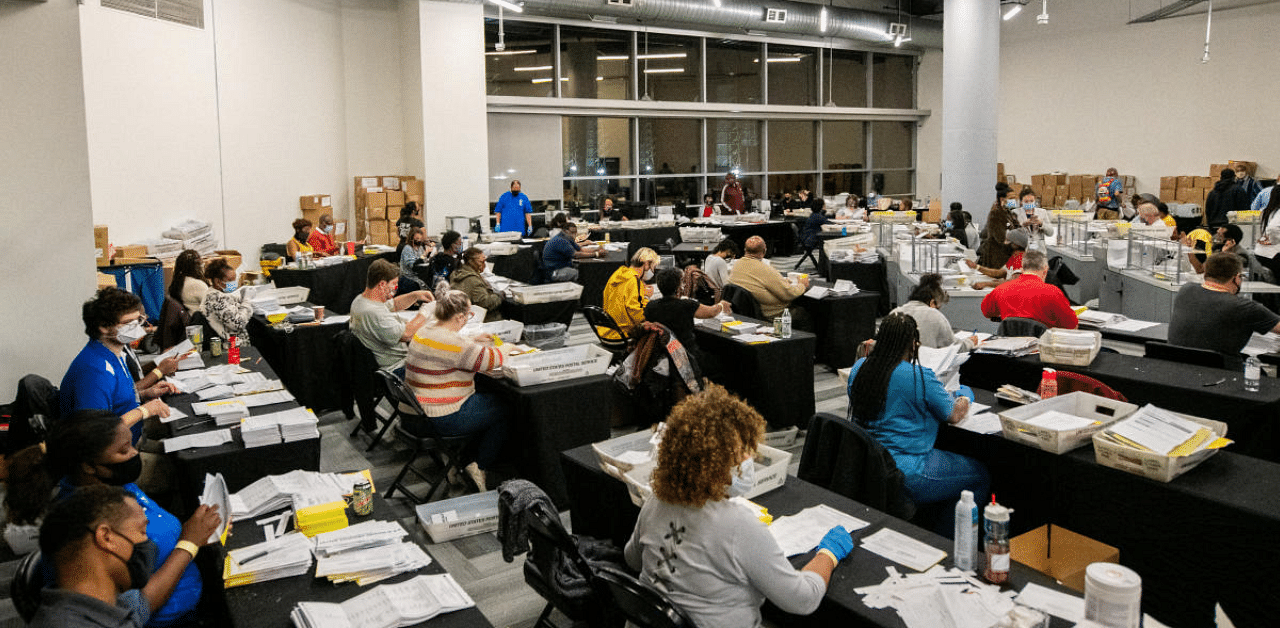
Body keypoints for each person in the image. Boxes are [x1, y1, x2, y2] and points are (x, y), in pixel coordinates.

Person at [624, 383, 849, 628]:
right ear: (715, 465)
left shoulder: (657, 499)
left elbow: (632, 559)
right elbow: (803, 600)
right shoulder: (738, 525)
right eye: (741, 453)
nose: (749, 458)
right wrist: (828, 554)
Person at [8, 410, 222, 627]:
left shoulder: (115, 487)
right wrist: (189, 543)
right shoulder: (83, 521)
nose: (134, 453)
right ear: (88, 465)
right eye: (123, 450)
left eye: (131, 445)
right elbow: (136, 606)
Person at [27, 483, 221, 628]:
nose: (149, 544)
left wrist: (189, 543)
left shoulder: (101, 604)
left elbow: (143, 602)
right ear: (106, 538)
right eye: (142, 532)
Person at [847, 313, 988, 508]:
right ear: (914, 345)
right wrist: (965, 398)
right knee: (980, 475)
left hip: (865, 462)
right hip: (907, 469)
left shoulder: (859, 367)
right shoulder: (919, 376)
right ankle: (947, 538)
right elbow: (954, 415)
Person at [404, 287, 509, 491]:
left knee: (485, 401)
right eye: (469, 314)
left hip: (414, 413)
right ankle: (479, 466)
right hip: (439, 417)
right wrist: (508, 348)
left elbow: (450, 349)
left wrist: (473, 340)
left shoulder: (425, 331)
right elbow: (491, 360)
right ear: (461, 317)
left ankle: (460, 461)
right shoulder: (455, 342)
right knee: (506, 408)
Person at [61, 288, 171, 444]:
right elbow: (94, 432)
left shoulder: (115, 354)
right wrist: (144, 410)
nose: (137, 328)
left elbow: (115, 399)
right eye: (128, 323)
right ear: (104, 327)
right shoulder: (94, 371)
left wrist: (146, 393)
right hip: (114, 455)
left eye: (138, 321)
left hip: (132, 438)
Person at [1169, 252, 1280, 368]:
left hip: (1178, 371)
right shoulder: (1244, 307)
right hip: (1224, 376)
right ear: (1236, 278)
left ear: (1206, 273)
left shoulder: (1185, 290)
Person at [350, 259, 435, 371]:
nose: (396, 287)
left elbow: (393, 305)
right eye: (394, 284)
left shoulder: (361, 300)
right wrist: (426, 312)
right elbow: (407, 334)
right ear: (382, 284)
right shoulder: (373, 312)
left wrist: (415, 295)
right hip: (397, 368)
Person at [645, 269, 731, 375]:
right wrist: (722, 304)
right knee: (722, 360)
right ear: (678, 287)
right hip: (687, 355)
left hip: (661, 354)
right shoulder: (687, 305)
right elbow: (711, 312)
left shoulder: (650, 306)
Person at [979, 250, 1078, 329]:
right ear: (1045, 269)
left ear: (1022, 268)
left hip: (1009, 346)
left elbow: (987, 312)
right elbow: (1072, 325)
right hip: (1040, 348)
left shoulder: (1001, 289)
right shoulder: (1053, 293)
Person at [729, 236, 810, 319]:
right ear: (764, 251)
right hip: (773, 314)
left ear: (745, 250)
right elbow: (789, 294)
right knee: (805, 313)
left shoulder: (737, 265)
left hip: (746, 313)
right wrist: (802, 285)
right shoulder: (764, 269)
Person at [889, 275, 977, 351]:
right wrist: (969, 342)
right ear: (932, 303)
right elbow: (954, 347)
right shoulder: (934, 315)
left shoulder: (895, 312)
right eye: (938, 307)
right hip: (924, 366)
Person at [600, 247, 660, 340]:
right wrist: (647, 298)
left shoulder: (619, 274)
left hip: (607, 329)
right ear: (646, 264)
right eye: (653, 267)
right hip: (622, 333)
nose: (652, 271)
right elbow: (638, 316)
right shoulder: (634, 281)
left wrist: (642, 295)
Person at [200, 258, 253, 340]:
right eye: (230, 280)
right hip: (231, 346)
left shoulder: (214, 293)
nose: (234, 282)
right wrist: (247, 301)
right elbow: (238, 324)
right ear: (218, 281)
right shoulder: (216, 299)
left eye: (235, 279)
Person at [451, 248, 503, 322]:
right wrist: (499, 296)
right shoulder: (473, 280)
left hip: (460, 315)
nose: (484, 265)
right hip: (477, 318)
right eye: (482, 262)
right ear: (471, 262)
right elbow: (485, 303)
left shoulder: (456, 273)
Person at [978, 182, 1020, 268]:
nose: (1015, 201)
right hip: (997, 256)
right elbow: (1001, 238)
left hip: (1007, 254)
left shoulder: (1011, 214)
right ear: (1002, 200)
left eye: (1015, 198)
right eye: (1011, 198)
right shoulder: (996, 214)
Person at [166, 250, 207, 316]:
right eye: (202, 264)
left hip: (184, 324)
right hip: (199, 324)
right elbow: (213, 309)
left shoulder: (176, 284)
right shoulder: (197, 285)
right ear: (197, 267)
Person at [1253, 187, 1280, 279]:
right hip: (1273, 254)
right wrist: (1273, 240)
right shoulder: (1278, 211)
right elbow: (1273, 228)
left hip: (1260, 253)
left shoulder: (1265, 210)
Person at [398, 226, 434, 294]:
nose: (419, 240)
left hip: (418, 276)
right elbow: (414, 266)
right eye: (417, 238)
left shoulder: (419, 248)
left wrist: (429, 254)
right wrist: (424, 254)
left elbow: (423, 261)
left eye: (420, 238)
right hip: (408, 277)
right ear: (411, 238)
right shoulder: (408, 249)